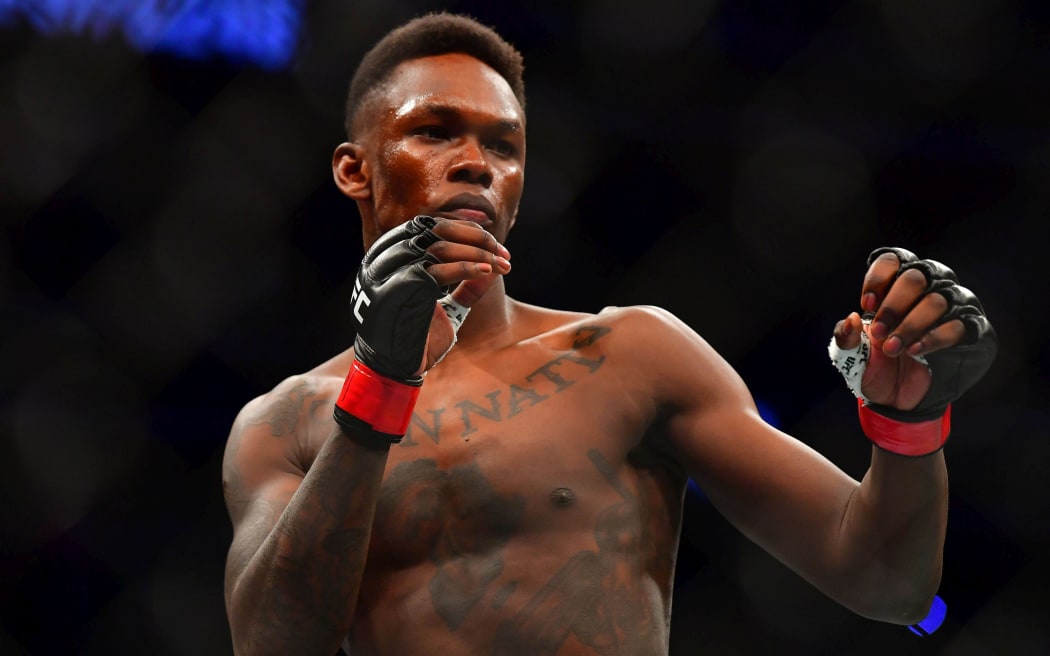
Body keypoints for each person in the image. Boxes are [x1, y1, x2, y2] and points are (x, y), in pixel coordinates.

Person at [220, 11, 997, 656]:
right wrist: (379, 389)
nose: (476, 165)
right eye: (435, 132)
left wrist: (908, 427)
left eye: (503, 145)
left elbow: (889, 582)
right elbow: (273, 643)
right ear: (355, 170)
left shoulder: (628, 355)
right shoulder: (287, 421)